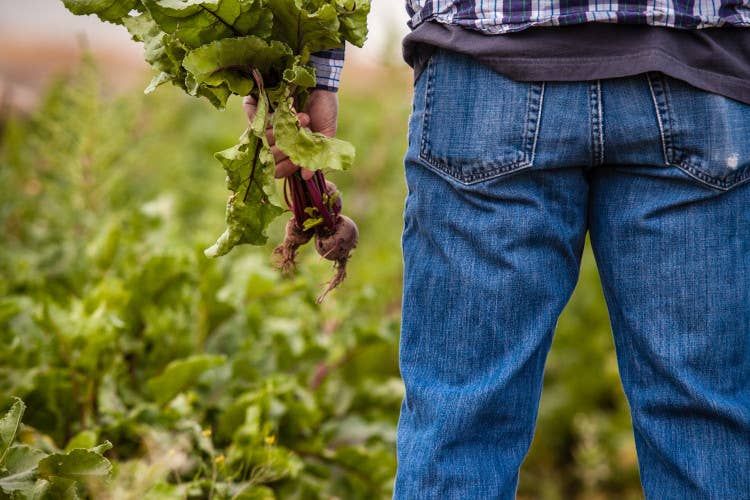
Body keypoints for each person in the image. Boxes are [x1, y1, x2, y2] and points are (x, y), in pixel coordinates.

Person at [245, 2, 750, 497]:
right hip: (697, 73)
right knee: (705, 424)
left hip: (485, 76)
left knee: (461, 428)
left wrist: (305, 72)